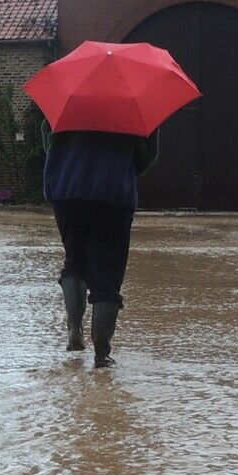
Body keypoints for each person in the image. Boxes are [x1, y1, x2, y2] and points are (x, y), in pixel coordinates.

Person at [42, 125, 158, 368]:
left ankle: (75, 327)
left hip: (67, 188)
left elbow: (48, 136)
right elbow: (147, 154)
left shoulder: (69, 90)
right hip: (112, 191)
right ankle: (102, 355)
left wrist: (66, 160)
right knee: (108, 274)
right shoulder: (133, 98)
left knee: (74, 259)